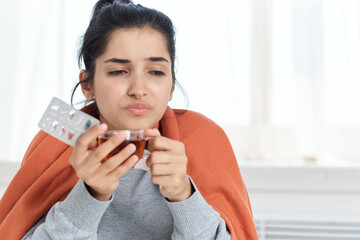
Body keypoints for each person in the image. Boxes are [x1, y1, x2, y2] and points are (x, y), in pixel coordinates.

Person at [0, 0, 258, 239]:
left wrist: (183, 194)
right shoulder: (54, 146)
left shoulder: (204, 138)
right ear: (87, 85)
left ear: (171, 87)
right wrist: (91, 194)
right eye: (118, 71)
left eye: (156, 71)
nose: (138, 88)